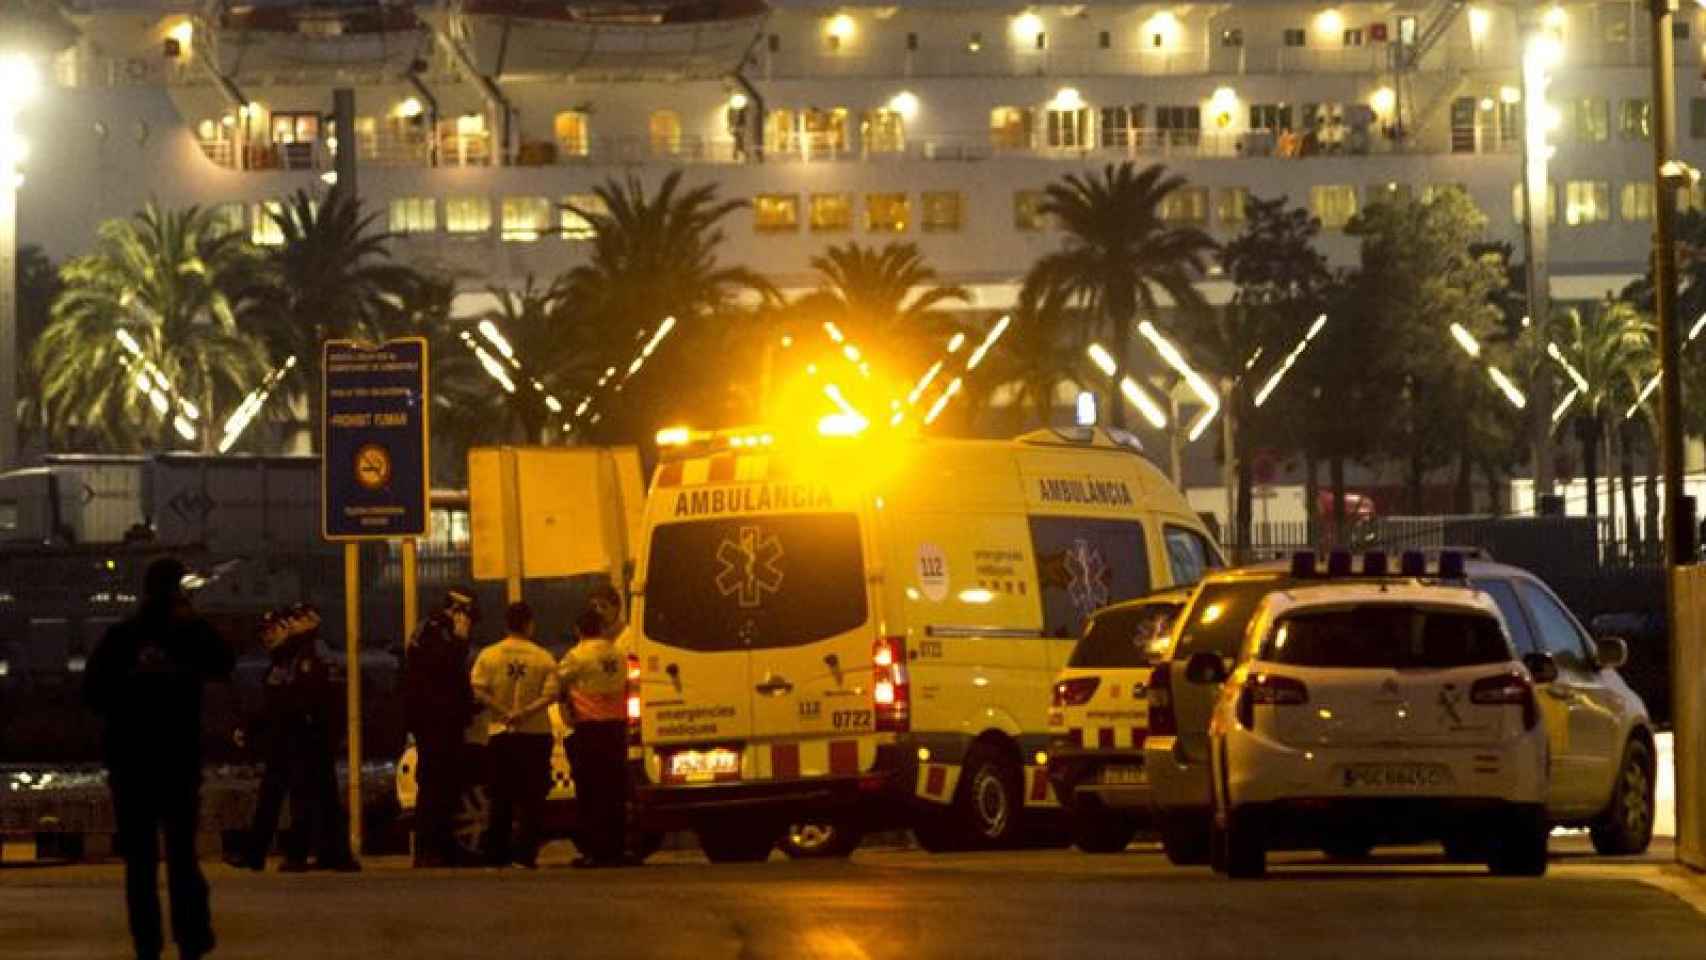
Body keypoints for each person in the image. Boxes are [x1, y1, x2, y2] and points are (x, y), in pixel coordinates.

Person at [84, 557, 233, 960]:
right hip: (177, 761)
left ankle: (147, 944)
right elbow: (224, 663)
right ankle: (191, 938)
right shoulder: (189, 634)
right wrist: (196, 622)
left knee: (140, 864)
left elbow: (92, 693)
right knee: (183, 858)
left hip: (130, 765)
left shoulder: (121, 637)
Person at [470, 602, 559, 869]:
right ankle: (525, 855)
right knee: (532, 799)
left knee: (500, 797)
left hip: (501, 733)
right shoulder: (543, 657)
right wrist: (524, 713)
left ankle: (496, 854)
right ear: (529, 624)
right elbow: (551, 694)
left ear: (506, 624)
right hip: (535, 734)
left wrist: (505, 712)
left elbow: (477, 690)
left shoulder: (489, 655)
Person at [403, 587, 481, 868]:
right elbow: (442, 670)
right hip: (434, 721)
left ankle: (445, 847)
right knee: (435, 785)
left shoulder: (435, 630)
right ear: (458, 611)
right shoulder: (434, 632)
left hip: (445, 720)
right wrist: (460, 643)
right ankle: (428, 849)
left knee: (448, 785)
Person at [280, 603, 360, 872]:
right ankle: (332, 853)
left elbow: (312, 696)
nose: (290, 626)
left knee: (307, 796)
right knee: (322, 797)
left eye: (295, 620)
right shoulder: (307, 651)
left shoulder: (310, 652)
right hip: (314, 736)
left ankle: (303, 854)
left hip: (310, 736)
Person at [228, 610, 305, 872]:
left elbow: (290, 704)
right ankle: (256, 853)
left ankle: (296, 854)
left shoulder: (297, 658)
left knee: (299, 801)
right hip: (281, 742)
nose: (267, 636)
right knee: (271, 799)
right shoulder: (280, 662)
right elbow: (270, 705)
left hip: (297, 741)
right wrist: (250, 728)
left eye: (272, 630)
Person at [558, 606, 631, 868]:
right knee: (614, 792)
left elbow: (558, 683)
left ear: (578, 630)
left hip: (589, 731)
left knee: (590, 792)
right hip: (616, 730)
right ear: (602, 628)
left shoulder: (576, 656)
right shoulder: (619, 655)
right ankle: (616, 849)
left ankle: (594, 851)